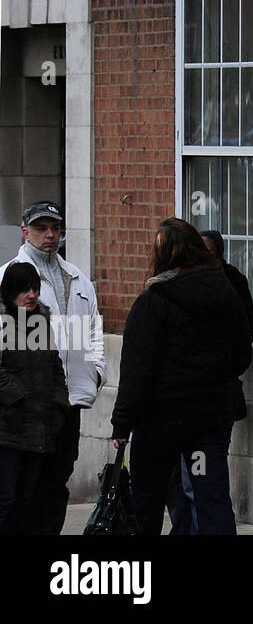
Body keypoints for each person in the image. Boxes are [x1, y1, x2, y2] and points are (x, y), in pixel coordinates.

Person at [110, 218, 252, 535]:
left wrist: (122, 422)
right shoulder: (226, 295)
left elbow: (137, 368)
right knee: (211, 496)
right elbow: (241, 354)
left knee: (148, 501)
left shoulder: (153, 301)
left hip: (161, 421)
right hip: (209, 419)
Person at [0, 201, 104, 535]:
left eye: (55, 228)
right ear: (24, 230)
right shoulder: (9, 276)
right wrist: (17, 394)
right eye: (42, 228)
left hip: (66, 402)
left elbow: (93, 333)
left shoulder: (78, 278)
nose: (49, 235)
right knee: (20, 493)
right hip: (22, 410)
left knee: (56, 485)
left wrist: (95, 374)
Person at [0, 262, 69, 534]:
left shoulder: (42, 320)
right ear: (10, 292)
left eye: (35, 289)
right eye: (24, 289)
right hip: (8, 430)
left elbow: (55, 369)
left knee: (29, 501)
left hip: (40, 429)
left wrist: (59, 406)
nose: (31, 295)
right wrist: (18, 398)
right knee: (6, 500)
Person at [200, 230, 253, 340]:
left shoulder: (234, 279)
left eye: (209, 250)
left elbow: (247, 320)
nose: (203, 254)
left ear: (218, 252)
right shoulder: (195, 278)